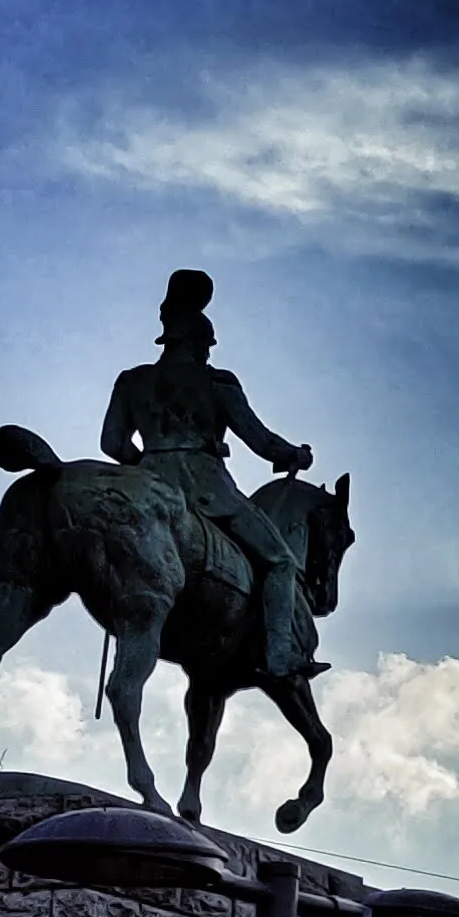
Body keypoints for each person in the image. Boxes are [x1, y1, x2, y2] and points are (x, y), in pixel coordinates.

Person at [98, 267, 325, 680]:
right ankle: (280, 655)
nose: (208, 353)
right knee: (280, 561)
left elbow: (112, 444)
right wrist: (297, 454)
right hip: (208, 487)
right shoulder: (216, 381)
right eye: (207, 346)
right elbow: (260, 440)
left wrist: (143, 471)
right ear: (200, 342)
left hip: (147, 482)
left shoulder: (132, 381)